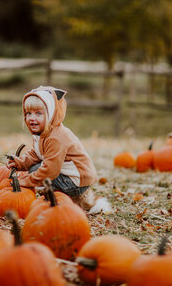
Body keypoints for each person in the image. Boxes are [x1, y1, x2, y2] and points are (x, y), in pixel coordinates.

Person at [6, 86, 112, 214]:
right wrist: (19, 163)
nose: (31, 118)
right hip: (66, 175)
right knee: (35, 169)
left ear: (50, 115)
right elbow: (36, 154)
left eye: (38, 113)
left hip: (76, 181)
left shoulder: (56, 138)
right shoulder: (43, 132)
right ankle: (74, 200)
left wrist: (24, 181)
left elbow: (50, 171)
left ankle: (67, 201)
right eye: (28, 113)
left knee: (36, 171)